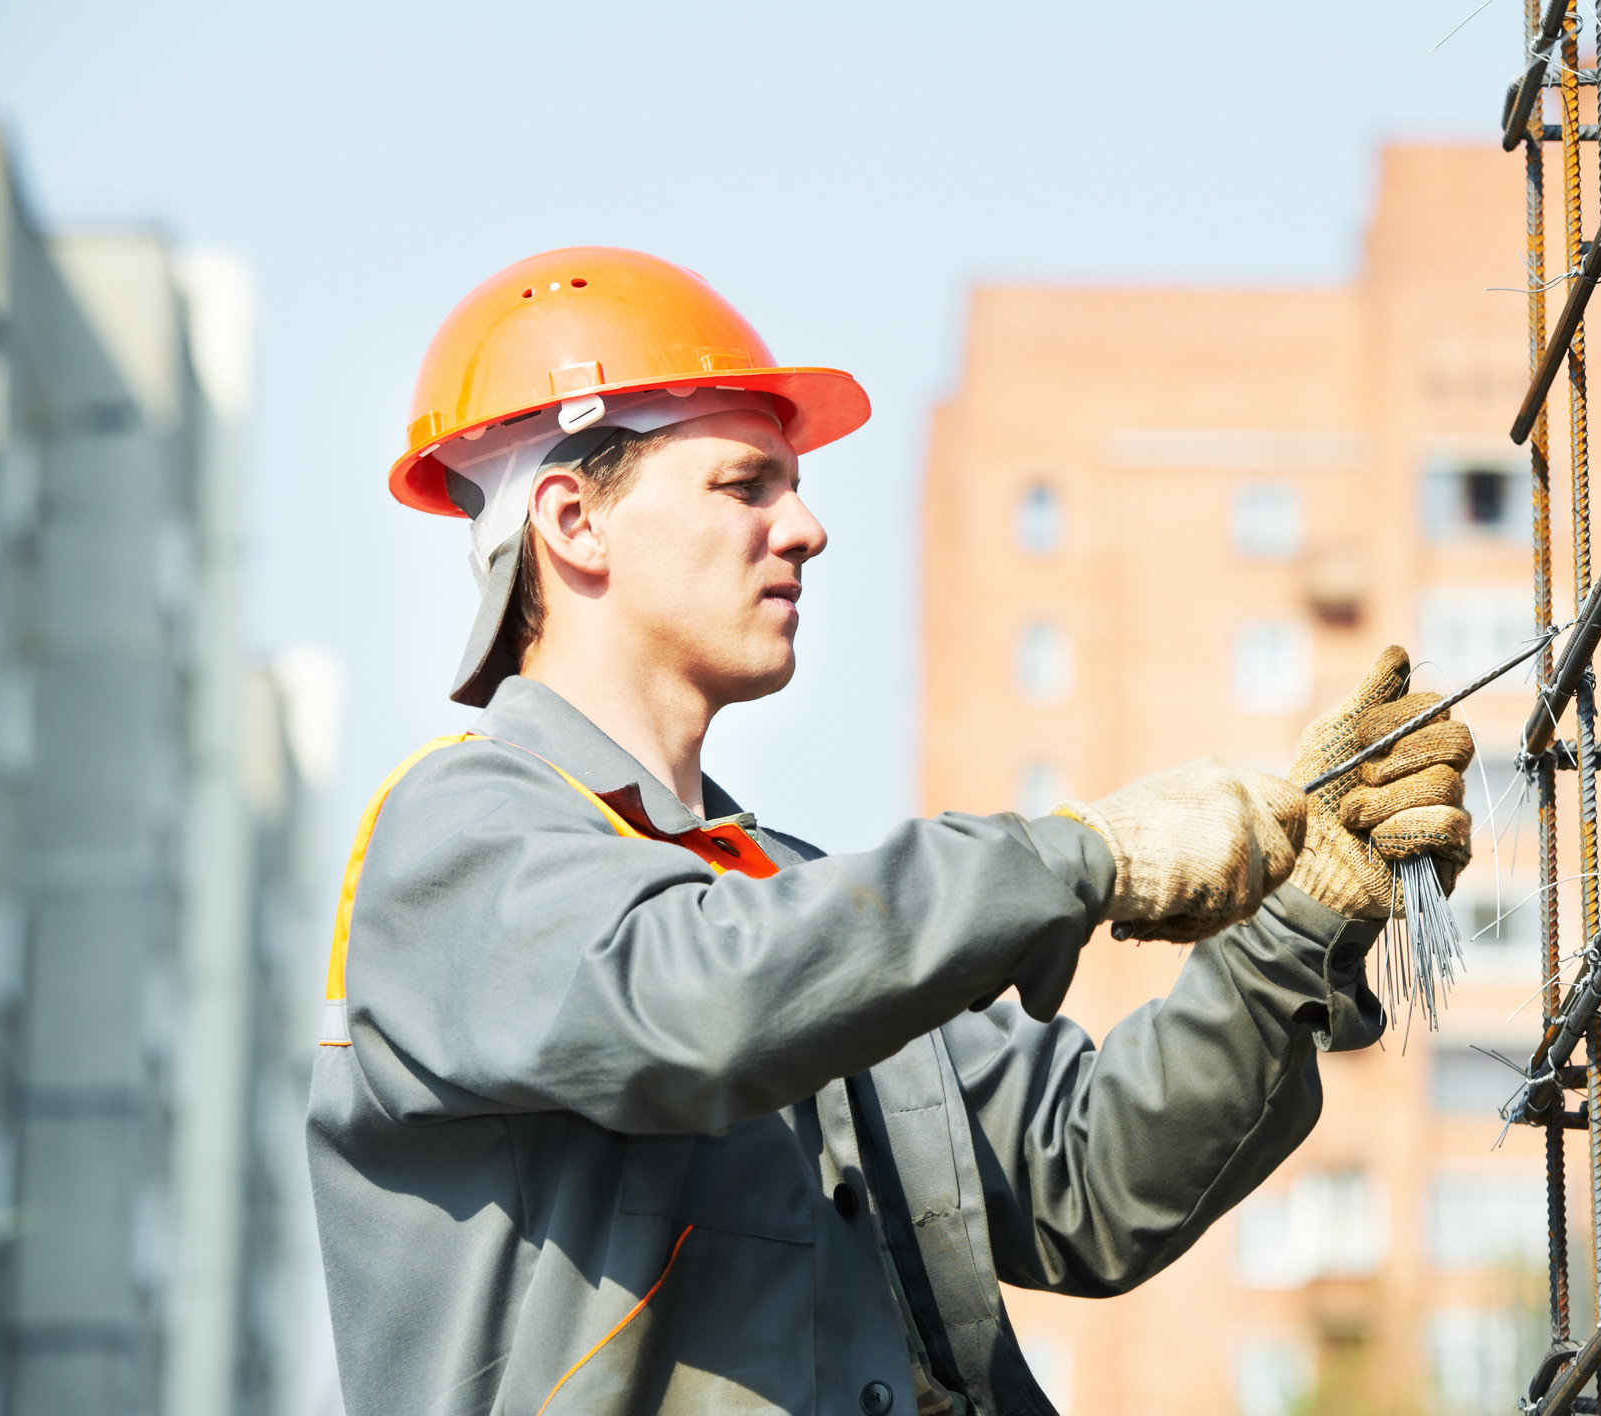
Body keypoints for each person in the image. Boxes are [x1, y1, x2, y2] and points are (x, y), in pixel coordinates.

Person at [307, 247, 1474, 1416]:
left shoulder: (788, 904)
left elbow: (1091, 1178)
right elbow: (696, 1004)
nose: (806, 527)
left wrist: (1298, 919)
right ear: (574, 521)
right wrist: (1082, 856)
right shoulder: (458, 840)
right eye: (745, 485)